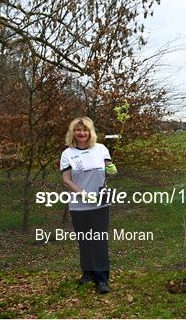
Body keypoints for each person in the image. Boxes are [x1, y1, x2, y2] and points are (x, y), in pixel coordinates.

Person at [60, 117, 117, 294]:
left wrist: (113, 170)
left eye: (85, 130)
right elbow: (66, 180)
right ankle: (88, 273)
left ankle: (102, 279)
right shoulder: (67, 154)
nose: (82, 133)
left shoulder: (100, 149)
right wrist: (83, 194)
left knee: (99, 240)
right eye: (78, 130)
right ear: (73, 132)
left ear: (90, 132)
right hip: (78, 205)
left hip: (100, 203)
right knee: (84, 240)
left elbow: (109, 170)